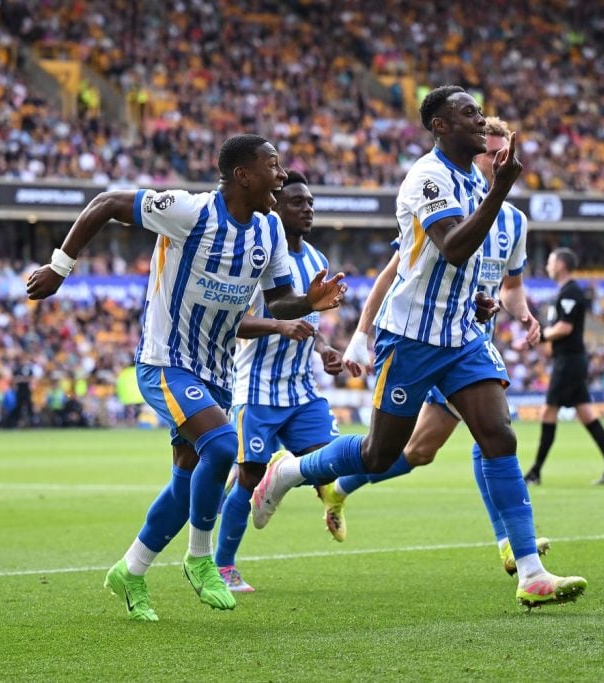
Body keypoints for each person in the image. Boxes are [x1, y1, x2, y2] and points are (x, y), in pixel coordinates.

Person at [249, 86, 586, 608]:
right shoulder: (427, 177)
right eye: (469, 114)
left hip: (462, 335)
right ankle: (290, 470)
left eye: (481, 112)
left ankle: (531, 572)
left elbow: (465, 267)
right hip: (410, 336)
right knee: (380, 453)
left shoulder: (474, 181)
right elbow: (453, 248)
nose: (481, 120)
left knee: (498, 436)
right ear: (440, 127)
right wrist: (501, 190)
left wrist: (480, 300)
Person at [26, 135, 346, 621]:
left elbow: (278, 301)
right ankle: (200, 559)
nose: (282, 176)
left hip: (216, 370)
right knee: (222, 446)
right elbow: (107, 202)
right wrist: (59, 267)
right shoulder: (189, 212)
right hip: (165, 361)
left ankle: (130, 570)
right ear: (243, 175)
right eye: (274, 166)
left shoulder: (269, 232)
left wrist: (308, 302)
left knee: (187, 481)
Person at [322, 116, 551, 576]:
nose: (495, 160)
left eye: (503, 154)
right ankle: (327, 481)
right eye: (490, 153)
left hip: (467, 341)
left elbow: (510, 287)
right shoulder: (442, 197)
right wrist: (361, 335)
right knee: (418, 449)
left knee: (458, 444)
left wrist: (522, 313)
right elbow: (395, 273)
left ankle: (514, 549)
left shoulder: (514, 222)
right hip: (419, 340)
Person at [214, 171, 352, 592]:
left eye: (310, 202)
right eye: (297, 202)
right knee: (248, 476)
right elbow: (232, 323)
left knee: (330, 465)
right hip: (256, 388)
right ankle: (223, 567)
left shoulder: (316, 260)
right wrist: (278, 325)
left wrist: (324, 348)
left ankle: (276, 476)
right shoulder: (256, 257)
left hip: (301, 390)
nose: (307, 209)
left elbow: (310, 324)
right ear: (275, 207)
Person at [523, 248, 604, 486]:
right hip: (570, 360)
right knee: (586, 413)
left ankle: (535, 471)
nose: (547, 266)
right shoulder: (564, 292)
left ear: (561, 265)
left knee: (548, 412)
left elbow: (564, 328)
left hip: (569, 361)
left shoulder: (570, 292)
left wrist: (539, 336)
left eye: (550, 262)